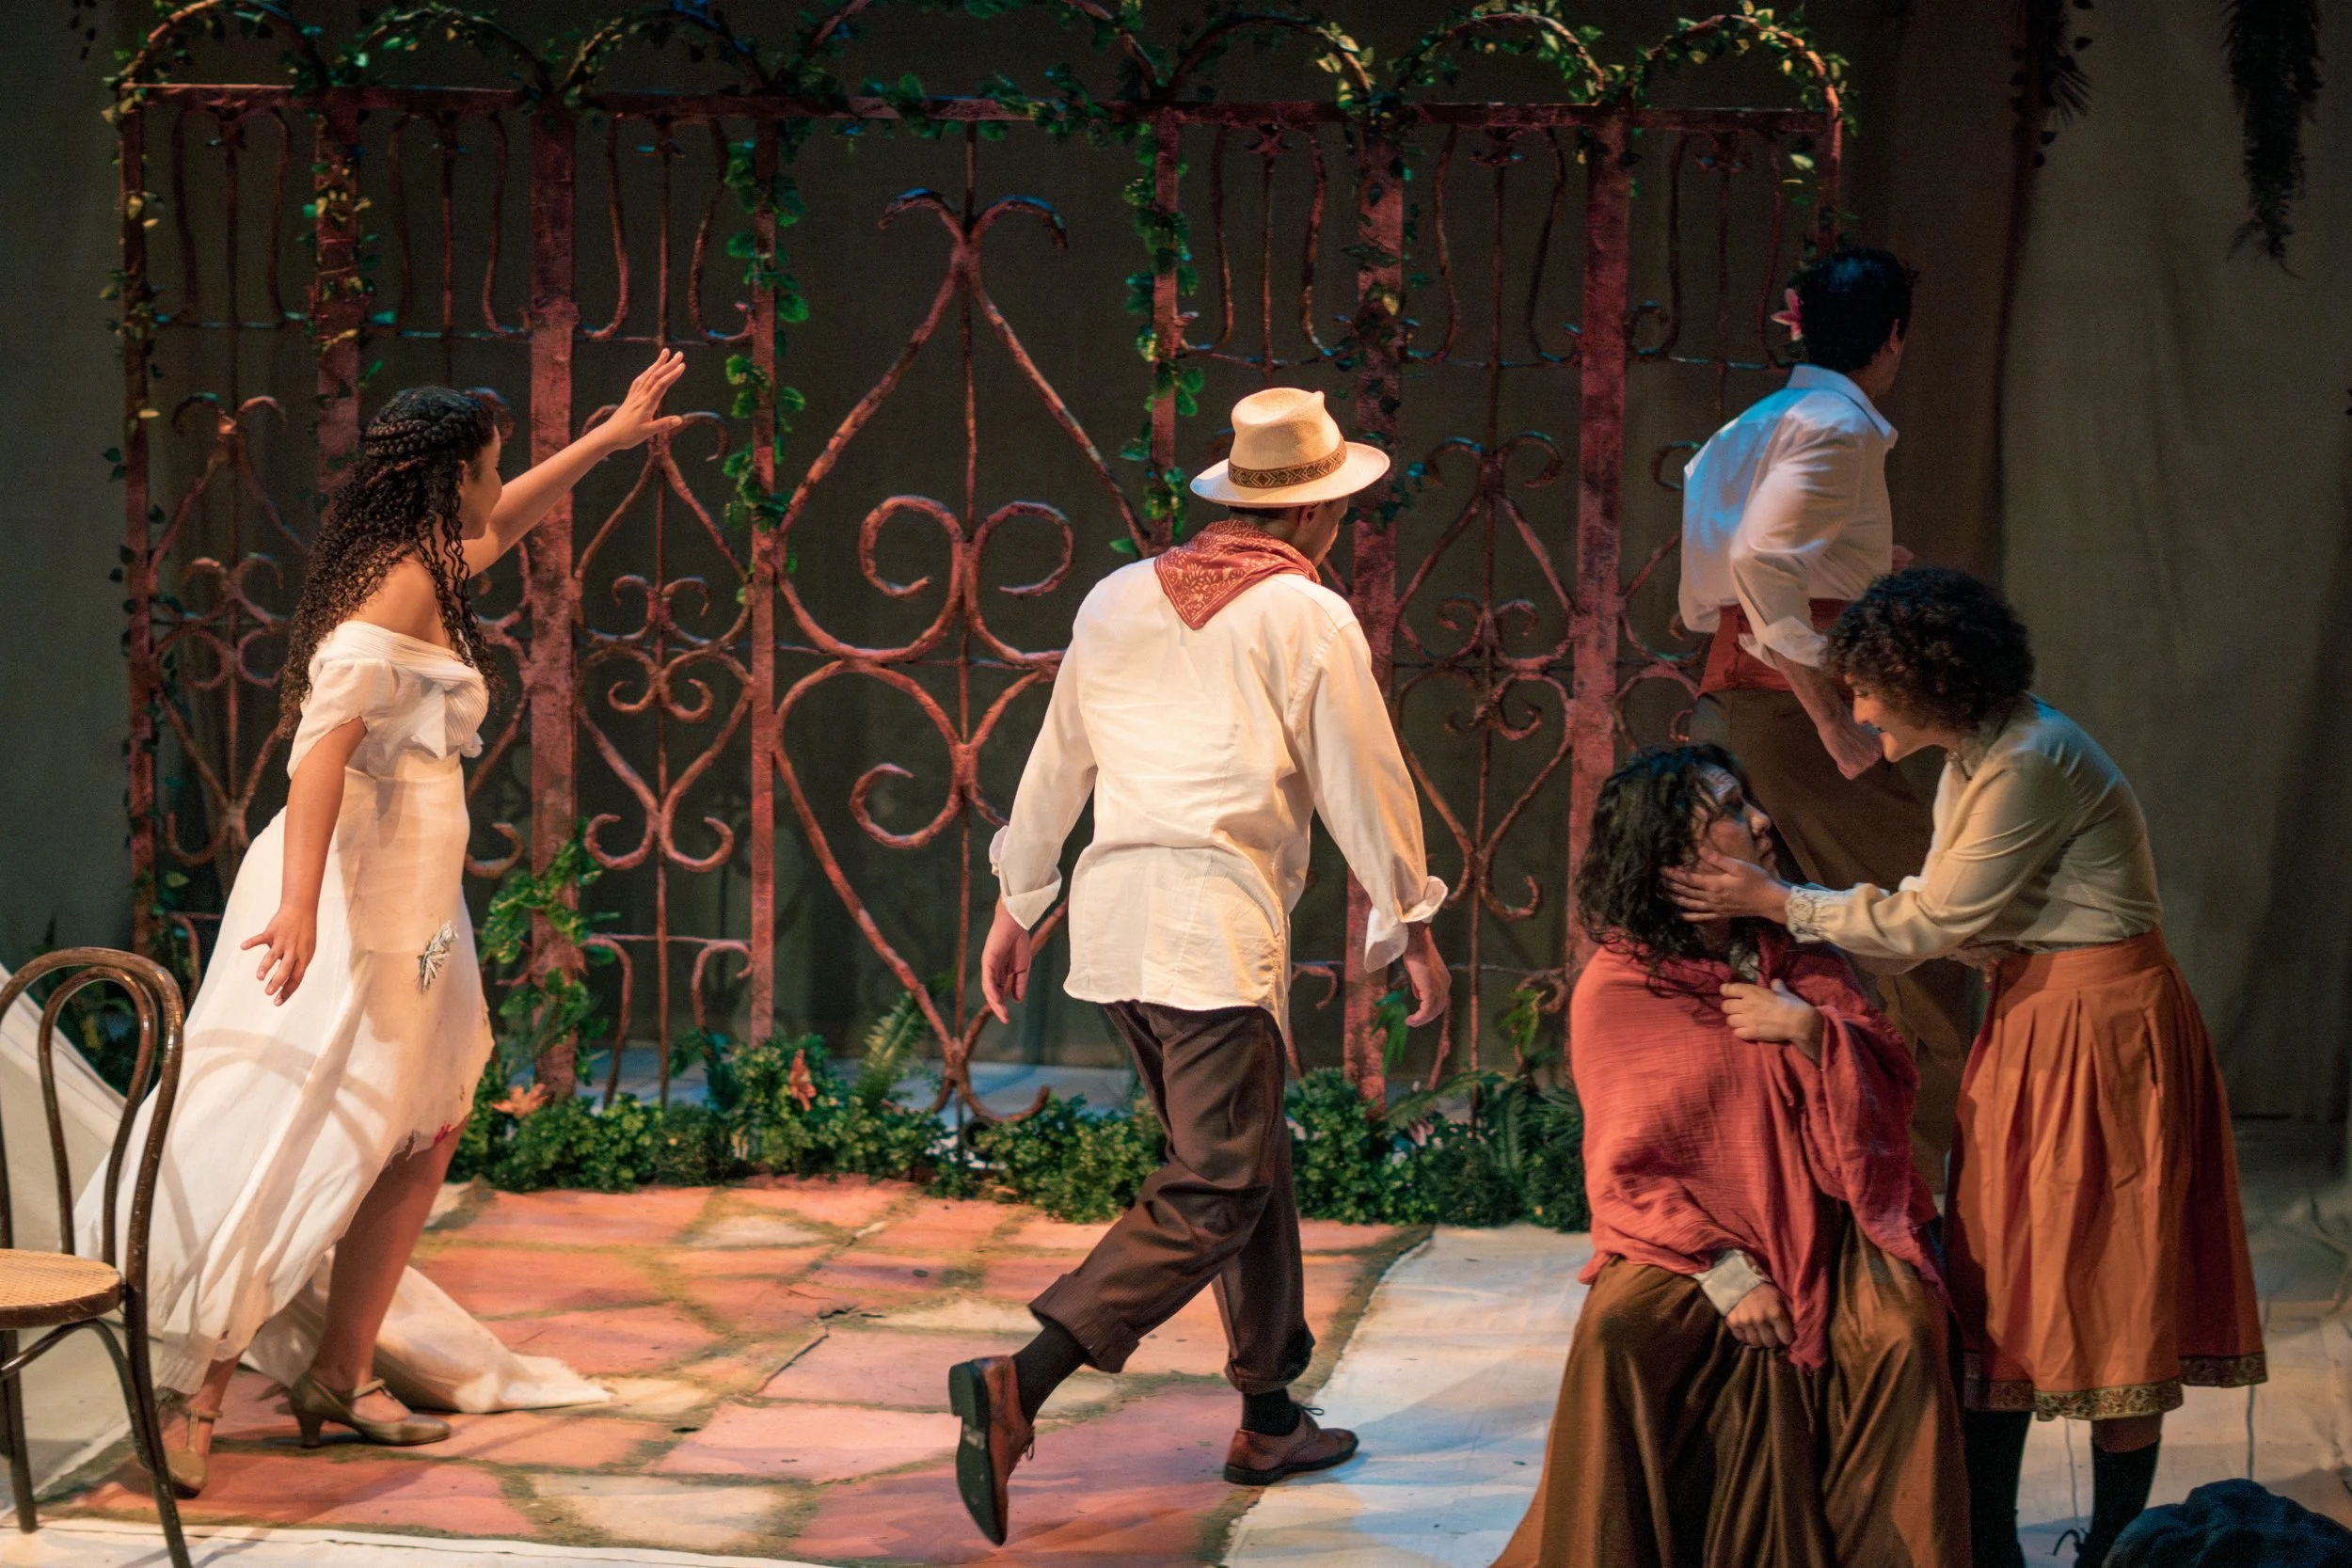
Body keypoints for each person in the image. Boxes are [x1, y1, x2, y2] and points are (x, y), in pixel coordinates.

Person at [79, 352, 689, 1496]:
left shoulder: (423, 555)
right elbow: (320, 753)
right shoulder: (398, 592)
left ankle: (341, 1373)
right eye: (488, 467)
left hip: (415, 904)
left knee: (425, 1125)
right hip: (347, 896)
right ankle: (192, 1393)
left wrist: (605, 441)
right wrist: (299, 904)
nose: (496, 484)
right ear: (450, 477)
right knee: (300, 1128)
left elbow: (508, 515)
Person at [1668, 568, 2265, 1568]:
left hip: (2098, 1029)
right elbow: (1938, 916)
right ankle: (1989, 1541)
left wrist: (1779, 900)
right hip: (2034, 1014)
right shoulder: (1975, 759)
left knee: (2112, 1279)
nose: (1858, 712)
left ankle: (2114, 1548)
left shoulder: (2032, 759)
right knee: (1998, 1275)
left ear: (1928, 683)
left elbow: (1930, 921)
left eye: (1868, 691)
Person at [955, 386, 1450, 1545]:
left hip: (1119, 927)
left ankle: (1268, 1414)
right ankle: (1021, 1379)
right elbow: (1364, 779)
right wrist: (1410, 918)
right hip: (1209, 932)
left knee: (1245, 1161)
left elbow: (1056, 757)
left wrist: (1020, 898)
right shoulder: (1307, 615)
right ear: (1318, 512)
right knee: (1220, 1181)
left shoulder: (1117, 594)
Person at [1492, 744, 1967, 1568]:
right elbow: (1626, 1170)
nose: (1762, 821)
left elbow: (1889, 1086)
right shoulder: (1621, 986)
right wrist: (1725, 1271)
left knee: (1901, 1334)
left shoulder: (1801, 956)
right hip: (1690, 1237)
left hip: (1832, 1216)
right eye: (1732, 811)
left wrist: (1814, 1033)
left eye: (1749, 801)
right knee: (1619, 1333)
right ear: (1675, 855)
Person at [1677, 244, 1976, 1191]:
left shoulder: (1749, 426)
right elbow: (1761, 565)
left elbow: (1719, 581)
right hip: (1791, 706)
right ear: (1892, 338)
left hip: (1744, 693)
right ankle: (1927, 1190)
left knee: (1796, 942)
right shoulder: (1837, 425)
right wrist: (1829, 714)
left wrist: (1860, 566)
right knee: (1924, 932)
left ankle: (1814, 1176)